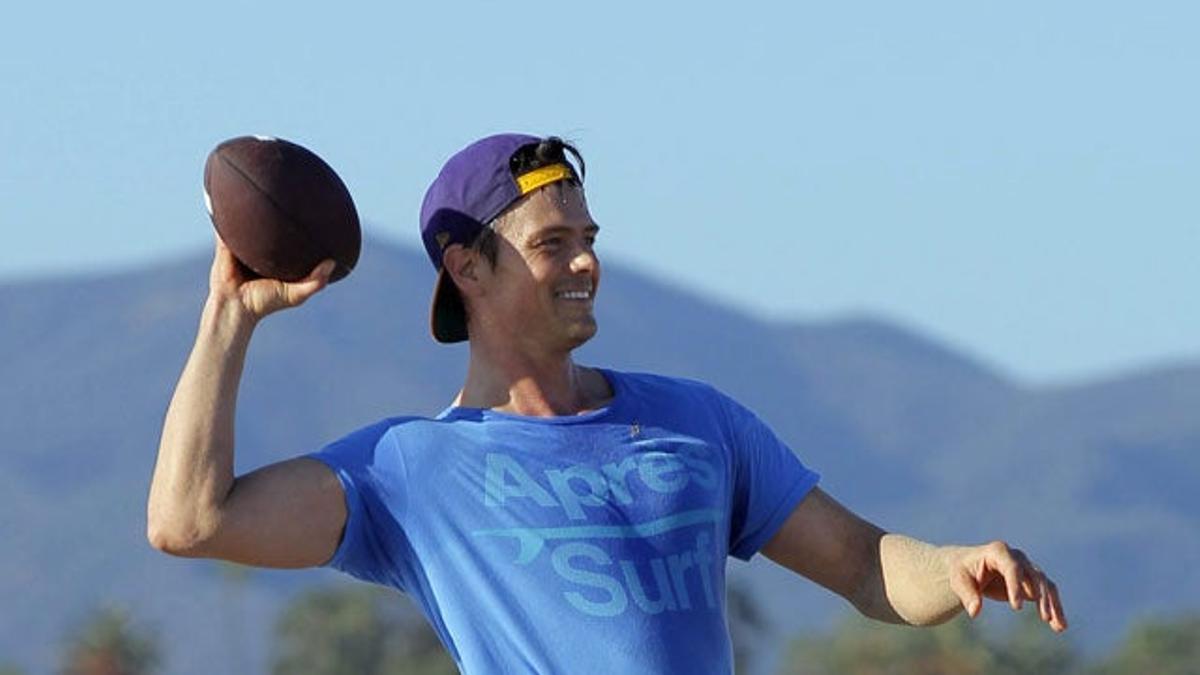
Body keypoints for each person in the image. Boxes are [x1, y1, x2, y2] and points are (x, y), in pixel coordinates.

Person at [147, 133, 1067, 673]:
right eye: (552, 243)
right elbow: (188, 521)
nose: (586, 261)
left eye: (588, 237)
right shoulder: (408, 469)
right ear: (468, 267)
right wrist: (230, 316)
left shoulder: (699, 422)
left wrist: (952, 566)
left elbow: (865, 566)